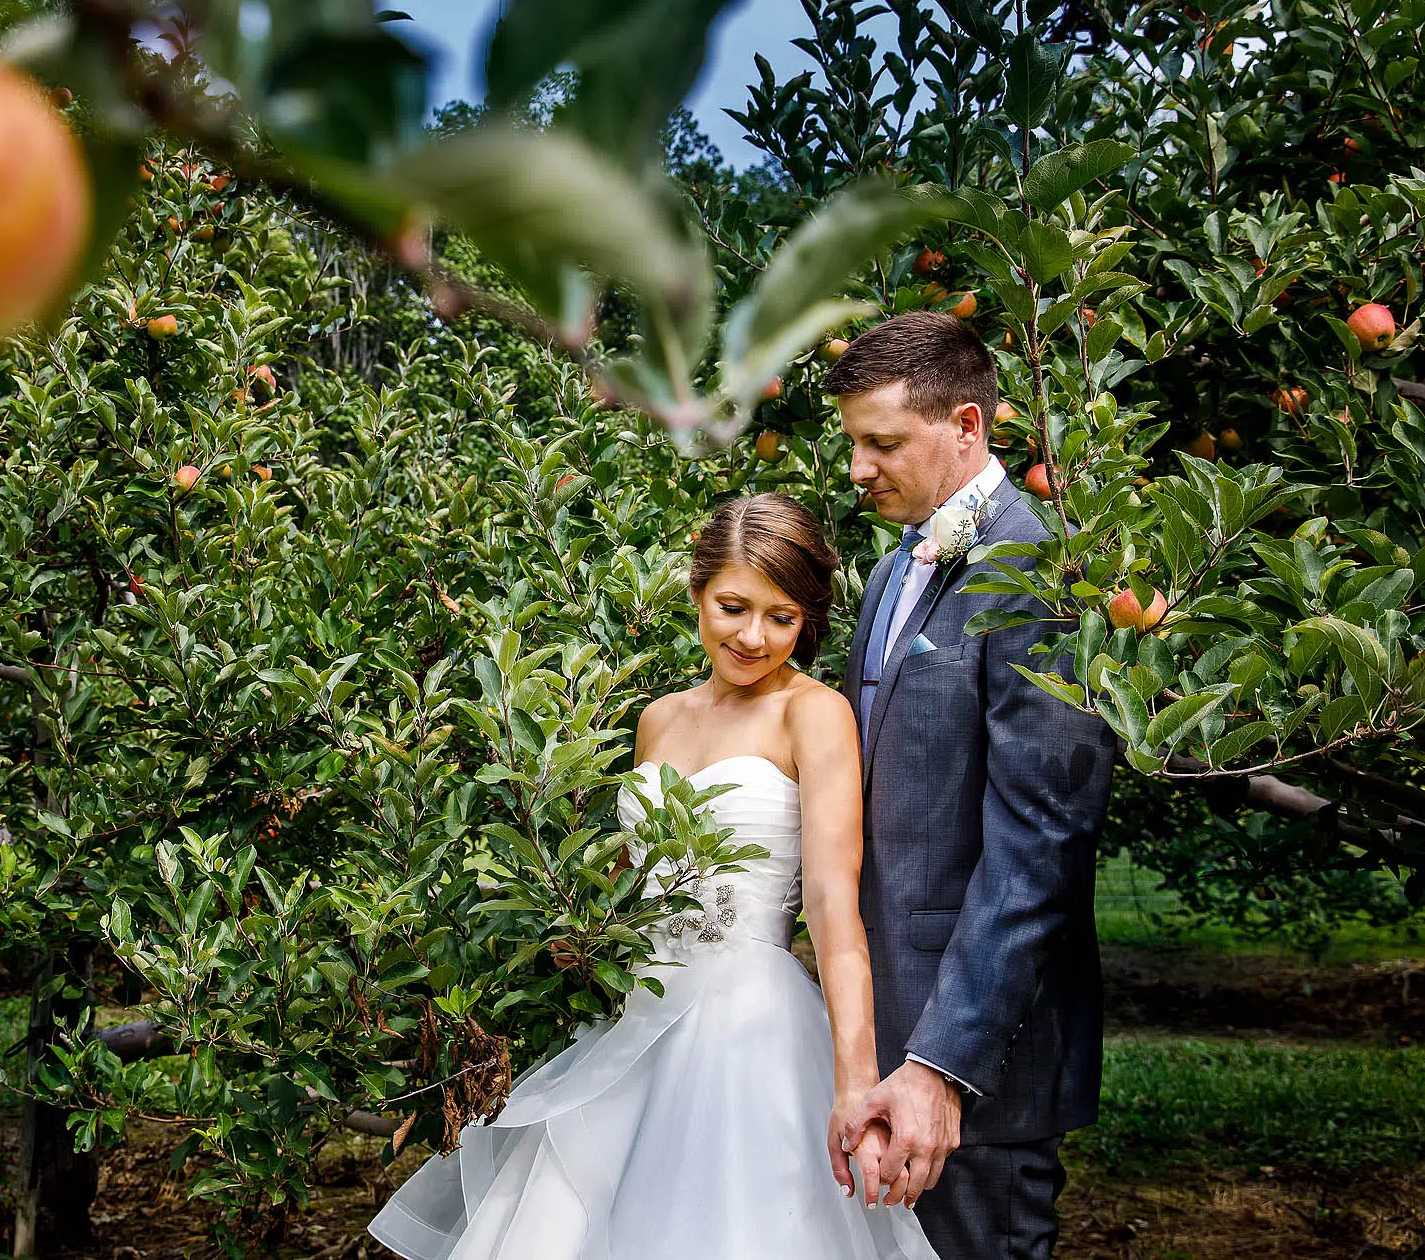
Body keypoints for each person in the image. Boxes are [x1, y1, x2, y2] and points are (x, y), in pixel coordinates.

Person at [367, 492, 941, 1260]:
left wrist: (855, 1082)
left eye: (782, 617)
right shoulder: (660, 718)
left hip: (750, 1029)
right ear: (698, 591)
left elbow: (835, 906)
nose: (753, 635)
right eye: (733, 606)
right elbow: (637, 880)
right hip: (639, 1012)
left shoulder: (814, 712)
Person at [824, 310, 1120, 1260]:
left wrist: (940, 1065)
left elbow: (1043, 844)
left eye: (882, 443)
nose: (859, 470)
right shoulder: (888, 570)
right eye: (853, 445)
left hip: (976, 1060)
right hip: (883, 1041)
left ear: (965, 425)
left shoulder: (1039, 567)